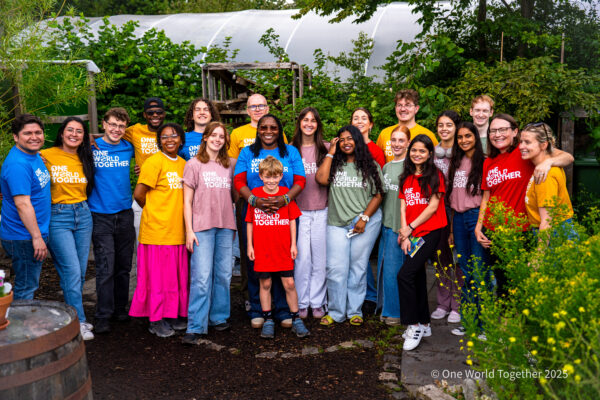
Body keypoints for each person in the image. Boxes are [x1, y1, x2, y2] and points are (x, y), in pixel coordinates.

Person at [474, 114, 574, 296]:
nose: (497, 134)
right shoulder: (489, 161)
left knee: (521, 285)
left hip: (521, 231)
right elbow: (487, 197)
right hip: (493, 231)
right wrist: (479, 226)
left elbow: (567, 157)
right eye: (493, 131)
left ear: (515, 132)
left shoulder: (525, 155)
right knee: (500, 283)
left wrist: (548, 162)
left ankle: (515, 322)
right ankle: (505, 323)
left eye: (502, 129)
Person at [234, 114, 306, 329]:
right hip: (255, 211)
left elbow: (301, 180)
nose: (268, 131)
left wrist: (285, 199)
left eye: (273, 127)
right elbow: (238, 180)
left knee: (282, 262)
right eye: (263, 127)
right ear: (258, 130)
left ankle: (283, 310)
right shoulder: (248, 152)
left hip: (285, 211)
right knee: (258, 262)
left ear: (279, 130)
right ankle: (259, 310)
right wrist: (254, 200)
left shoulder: (290, 151)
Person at [316, 125, 384, 327]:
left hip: (364, 222)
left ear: (357, 141)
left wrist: (364, 218)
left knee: (358, 267)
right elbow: (320, 179)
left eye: (350, 139)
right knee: (336, 268)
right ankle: (336, 312)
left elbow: (378, 195)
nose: (346, 142)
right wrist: (330, 152)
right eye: (342, 139)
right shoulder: (335, 164)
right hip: (337, 223)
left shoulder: (370, 165)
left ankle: (355, 311)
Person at [228, 94, 287, 312]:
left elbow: (286, 170)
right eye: (253, 106)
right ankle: (251, 298)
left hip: (279, 204)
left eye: (261, 105)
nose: (258, 109)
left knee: (276, 251)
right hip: (250, 203)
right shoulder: (239, 136)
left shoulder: (281, 138)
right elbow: (235, 173)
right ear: (247, 110)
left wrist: (283, 198)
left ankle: (278, 300)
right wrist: (245, 200)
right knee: (249, 252)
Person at [129, 123, 188, 338]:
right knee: (157, 279)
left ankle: (172, 314)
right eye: (164, 137)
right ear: (159, 141)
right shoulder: (154, 162)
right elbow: (139, 194)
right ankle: (155, 319)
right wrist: (154, 212)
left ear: (181, 139)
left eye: (174, 135)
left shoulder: (183, 164)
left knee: (174, 278)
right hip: (157, 232)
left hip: (177, 231)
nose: (170, 139)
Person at [182, 122, 237, 345]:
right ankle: (195, 324)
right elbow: (186, 201)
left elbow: (235, 196)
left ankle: (218, 317)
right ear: (205, 137)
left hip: (225, 226)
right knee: (202, 277)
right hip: (201, 228)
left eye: (221, 136)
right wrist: (189, 230)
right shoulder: (194, 164)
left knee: (224, 275)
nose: (217, 139)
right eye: (213, 135)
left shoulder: (230, 164)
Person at [41, 117, 95, 340]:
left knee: (79, 272)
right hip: (58, 216)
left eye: (79, 131)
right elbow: (25, 172)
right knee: (72, 271)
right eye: (70, 130)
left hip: (83, 215)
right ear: (62, 133)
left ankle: (69, 314)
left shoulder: (85, 156)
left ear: (84, 136)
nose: (74, 134)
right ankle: (78, 321)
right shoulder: (46, 155)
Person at [246, 156, 310, 339]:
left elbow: (292, 221)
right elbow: (249, 222)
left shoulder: (285, 195)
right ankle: (267, 319)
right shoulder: (256, 195)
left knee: (289, 283)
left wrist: (293, 244)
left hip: (282, 247)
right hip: (262, 248)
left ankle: (296, 319)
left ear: (281, 176)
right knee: (265, 283)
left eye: (275, 177)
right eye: (268, 177)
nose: (272, 181)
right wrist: (250, 245)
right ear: (261, 176)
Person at [397, 134, 448, 351]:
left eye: (422, 151)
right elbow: (403, 207)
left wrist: (411, 229)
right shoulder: (406, 177)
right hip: (412, 233)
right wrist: (404, 233)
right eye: (414, 150)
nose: (417, 154)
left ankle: (414, 324)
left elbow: (433, 207)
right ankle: (424, 323)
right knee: (415, 276)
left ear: (429, 154)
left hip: (431, 231)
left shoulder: (435, 175)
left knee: (404, 275)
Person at [88, 108, 136, 334]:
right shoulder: (91, 148)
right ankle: (103, 315)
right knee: (106, 267)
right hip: (101, 215)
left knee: (124, 266)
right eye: (113, 124)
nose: (117, 129)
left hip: (125, 213)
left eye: (121, 126)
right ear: (104, 125)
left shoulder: (128, 147)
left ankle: (120, 309)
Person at [0, 114, 51, 300]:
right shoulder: (18, 164)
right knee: (26, 286)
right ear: (15, 137)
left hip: (29, 233)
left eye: (38, 132)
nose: (34, 137)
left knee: (28, 283)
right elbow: (22, 204)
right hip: (24, 236)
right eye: (27, 133)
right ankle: (21, 326)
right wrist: (36, 237)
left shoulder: (33, 155)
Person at [445, 122, 487, 337]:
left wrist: (480, 223)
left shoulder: (484, 162)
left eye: (468, 136)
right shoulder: (456, 162)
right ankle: (468, 321)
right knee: (464, 268)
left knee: (479, 271)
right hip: (459, 219)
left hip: (476, 217)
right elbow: (453, 199)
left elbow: (487, 197)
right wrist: (452, 229)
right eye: (460, 137)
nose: (463, 140)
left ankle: (483, 325)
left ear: (475, 138)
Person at [291, 107, 330, 319]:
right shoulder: (290, 150)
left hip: (322, 209)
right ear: (299, 123)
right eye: (305, 119)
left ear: (318, 125)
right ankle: (302, 301)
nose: (309, 123)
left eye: (313, 120)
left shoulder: (325, 149)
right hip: (299, 212)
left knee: (320, 259)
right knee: (302, 259)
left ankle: (318, 302)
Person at [430, 110, 462, 324]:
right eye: (441, 125)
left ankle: (457, 304)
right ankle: (443, 303)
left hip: (458, 209)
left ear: (456, 127)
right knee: (440, 259)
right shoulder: (432, 153)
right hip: (437, 209)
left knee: (458, 258)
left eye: (449, 125)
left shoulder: (463, 152)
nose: (444, 129)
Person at [377, 126, 410, 326]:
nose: (397, 144)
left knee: (394, 271)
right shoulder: (387, 167)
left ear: (407, 143)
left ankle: (395, 313)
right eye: (394, 140)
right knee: (384, 269)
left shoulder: (410, 167)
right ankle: (386, 307)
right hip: (385, 225)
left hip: (400, 227)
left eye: (401, 140)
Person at [520, 123, 575, 237]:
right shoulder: (544, 166)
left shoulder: (545, 174)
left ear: (544, 145)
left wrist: (540, 253)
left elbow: (547, 222)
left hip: (555, 234)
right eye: (521, 142)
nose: (521, 146)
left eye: (527, 142)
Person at [123, 97, 165, 239]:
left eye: (158, 112)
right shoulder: (136, 130)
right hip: (143, 193)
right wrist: (92, 137)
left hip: (164, 193)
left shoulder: (169, 133)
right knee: (143, 239)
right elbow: (113, 134)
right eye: (150, 112)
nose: (155, 116)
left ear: (164, 114)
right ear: (145, 115)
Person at [376, 89, 438, 163]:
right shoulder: (384, 134)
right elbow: (378, 163)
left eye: (408, 105)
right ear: (395, 108)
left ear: (416, 109)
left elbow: (437, 163)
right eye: (399, 105)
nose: (403, 109)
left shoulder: (428, 135)